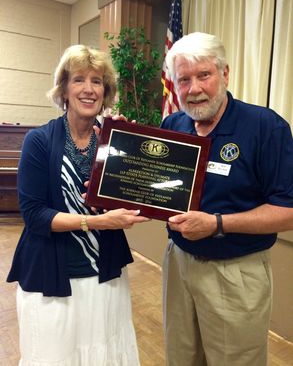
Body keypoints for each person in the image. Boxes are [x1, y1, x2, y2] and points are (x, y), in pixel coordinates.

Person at [7, 44, 150, 365]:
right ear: (64, 90)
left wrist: (129, 146)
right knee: (58, 355)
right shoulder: (39, 140)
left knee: (104, 352)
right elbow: (34, 215)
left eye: (97, 81)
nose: (89, 89)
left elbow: (134, 197)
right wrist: (98, 222)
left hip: (104, 275)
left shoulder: (113, 140)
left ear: (106, 91)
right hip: (52, 275)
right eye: (79, 80)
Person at [161, 32, 293, 366]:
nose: (194, 89)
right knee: (181, 357)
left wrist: (216, 224)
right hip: (178, 263)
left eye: (203, 75)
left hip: (235, 272)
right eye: (184, 80)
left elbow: (288, 211)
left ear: (225, 74)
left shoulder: (266, 127)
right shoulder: (173, 124)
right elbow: (160, 189)